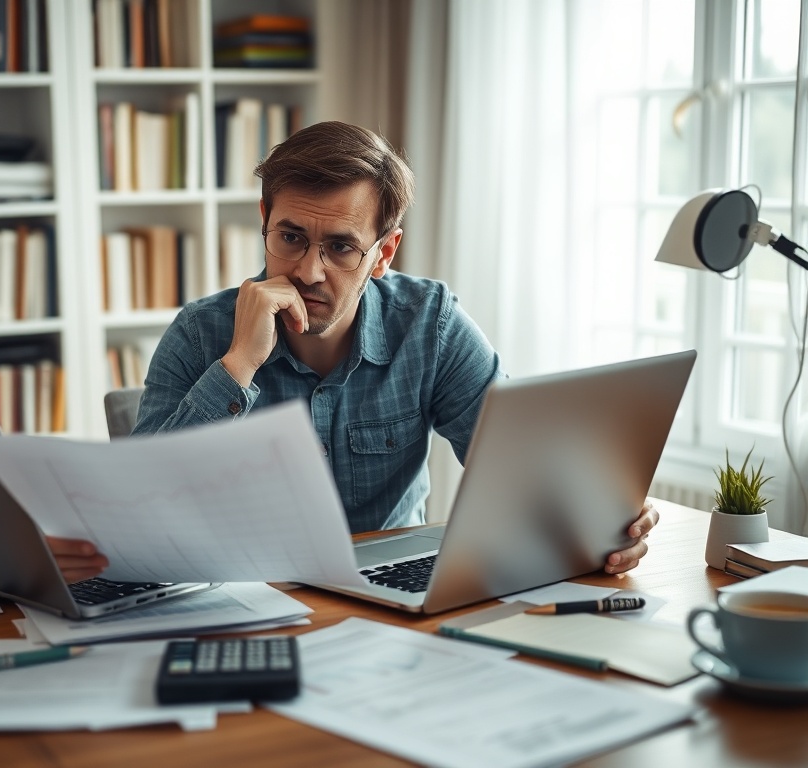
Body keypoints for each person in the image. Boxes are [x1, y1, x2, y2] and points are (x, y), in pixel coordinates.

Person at [49, 121, 658, 584]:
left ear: (385, 253)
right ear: (264, 219)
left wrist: (599, 520)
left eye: (342, 247)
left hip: (388, 597)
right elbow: (135, 516)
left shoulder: (430, 325)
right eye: (290, 238)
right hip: (245, 594)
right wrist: (237, 365)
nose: (309, 271)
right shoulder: (199, 334)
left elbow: (521, 473)